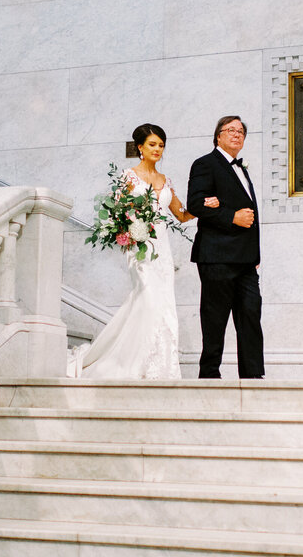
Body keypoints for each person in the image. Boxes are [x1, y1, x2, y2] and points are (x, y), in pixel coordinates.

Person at [74, 124, 217, 379]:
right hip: (140, 249)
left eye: (161, 145)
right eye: (152, 144)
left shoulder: (165, 181)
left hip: (162, 250)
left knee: (161, 305)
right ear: (140, 147)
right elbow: (115, 215)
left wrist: (205, 205)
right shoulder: (129, 177)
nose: (157, 149)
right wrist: (127, 233)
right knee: (149, 299)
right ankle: (134, 366)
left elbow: (182, 215)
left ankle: (160, 367)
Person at [187, 115, 264, 379]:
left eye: (241, 131)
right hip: (217, 256)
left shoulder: (242, 169)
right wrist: (231, 216)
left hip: (246, 261)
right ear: (218, 135)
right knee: (214, 319)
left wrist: (256, 255)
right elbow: (196, 204)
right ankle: (209, 376)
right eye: (230, 130)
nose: (237, 135)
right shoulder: (205, 164)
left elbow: (252, 217)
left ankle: (253, 377)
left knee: (251, 316)